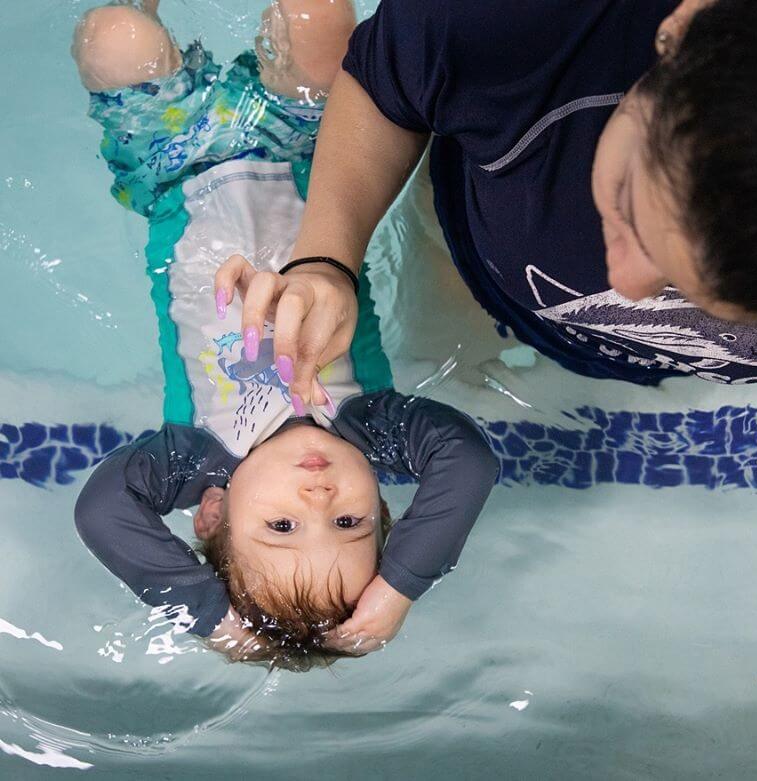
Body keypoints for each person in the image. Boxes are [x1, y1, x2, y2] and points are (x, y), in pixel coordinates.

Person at [221, 0, 757, 774]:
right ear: (678, 29)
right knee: (448, 289)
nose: (628, 286)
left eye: (703, 294)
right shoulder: (513, 17)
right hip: (472, 238)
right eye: (631, 205)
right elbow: (387, 85)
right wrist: (329, 256)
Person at [70, 0, 499, 670]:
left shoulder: (194, 460)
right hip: (311, 146)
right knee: (320, 16)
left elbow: (101, 512)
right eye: (351, 523)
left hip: (171, 165)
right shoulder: (373, 427)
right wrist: (399, 588)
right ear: (383, 502)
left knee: (116, 38)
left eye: (281, 527)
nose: (320, 499)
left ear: (213, 514)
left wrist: (211, 619)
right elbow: (470, 459)